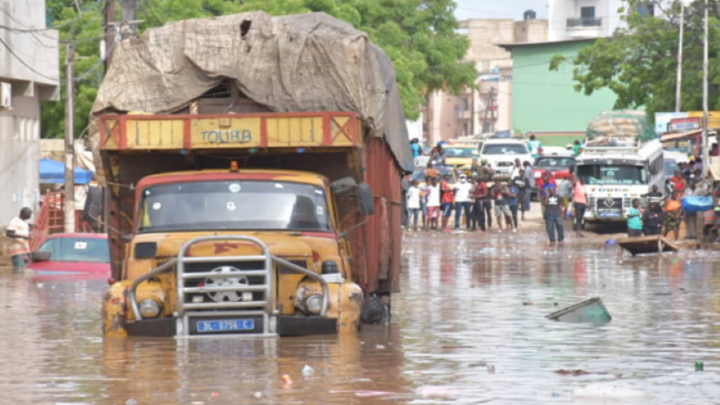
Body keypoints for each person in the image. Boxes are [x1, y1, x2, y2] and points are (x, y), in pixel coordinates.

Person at [6, 207, 32, 272]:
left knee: (24, 271)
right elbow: (8, 233)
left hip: (24, 250)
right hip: (17, 252)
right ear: (22, 213)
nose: (30, 216)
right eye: (28, 214)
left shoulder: (23, 222)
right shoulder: (14, 221)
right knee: (19, 270)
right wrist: (23, 236)